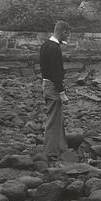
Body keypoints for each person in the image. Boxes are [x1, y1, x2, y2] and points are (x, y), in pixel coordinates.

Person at [39, 20, 71, 161]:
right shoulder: (55, 49)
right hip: (53, 86)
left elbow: (46, 68)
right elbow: (56, 72)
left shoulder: (46, 45)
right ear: (63, 31)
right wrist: (62, 92)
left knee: (57, 117)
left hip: (46, 84)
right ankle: (51, 151)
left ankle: (60, 146)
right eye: (68, 34)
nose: (68, 37)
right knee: (53, 119)